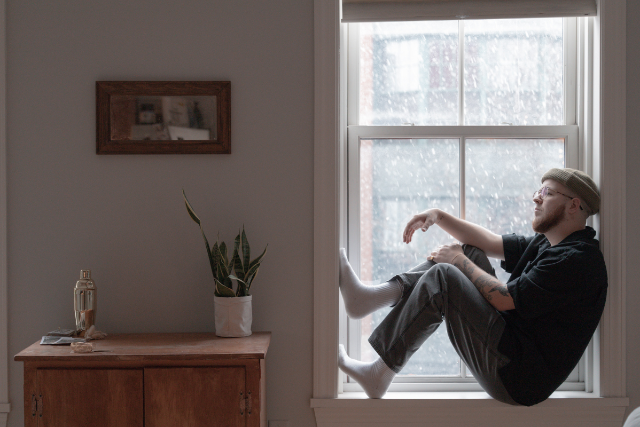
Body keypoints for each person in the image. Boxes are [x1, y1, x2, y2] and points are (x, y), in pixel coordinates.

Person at [338, 168, 608, 406]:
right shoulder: (549, 244)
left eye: (547, 193)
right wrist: (437, 215)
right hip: (507, 346)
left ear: (573, 205)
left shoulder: (577, 260)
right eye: (538, 191)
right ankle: (369, 299)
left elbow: (504, 299)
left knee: (446, 274)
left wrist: (457, 260)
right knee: (470, 251)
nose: (536, 198)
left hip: (516, 376)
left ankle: (379, 373)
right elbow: (488, 242)